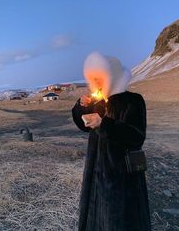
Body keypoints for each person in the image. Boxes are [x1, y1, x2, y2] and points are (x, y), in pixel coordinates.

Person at [72, 51, 151, 231]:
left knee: (118, 220)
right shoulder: (99, 103)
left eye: (100, 79)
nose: (97, 84)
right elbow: (83, 125)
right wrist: (81, 106)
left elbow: (137, 137)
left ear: (112, 76)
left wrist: (104, 124)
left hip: (121, 176)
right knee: (96, 216)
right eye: (94, 80)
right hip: (96, 172)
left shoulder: (133, 101)